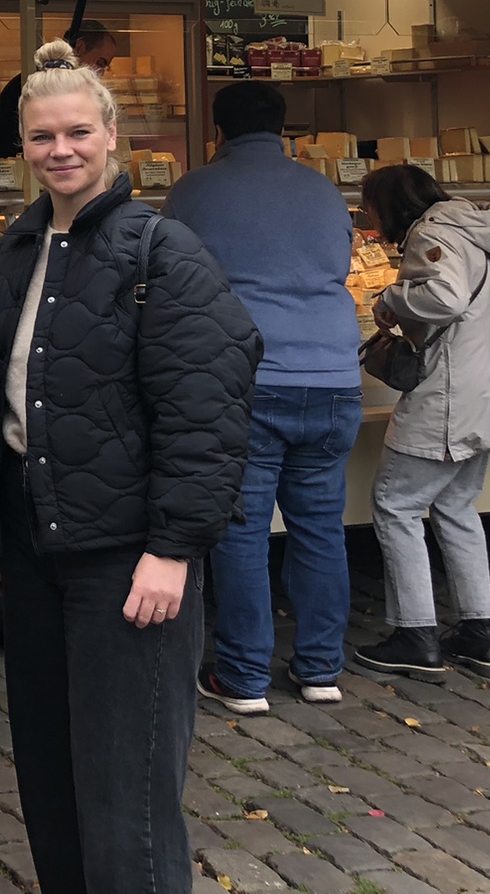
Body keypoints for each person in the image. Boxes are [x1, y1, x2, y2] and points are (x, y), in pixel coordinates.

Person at [0, 40, 257, 894]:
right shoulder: (14, 253)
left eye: (77, 132)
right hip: (31, 545)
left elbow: (208, 408)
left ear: (114, 135)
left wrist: (174, 548)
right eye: (43, 137)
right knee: (50, 776)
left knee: (126, 785)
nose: (61, 150)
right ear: (23, 146)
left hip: (127, 558)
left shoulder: (160, 252)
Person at [167, 81, 363, 712]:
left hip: (245, 376)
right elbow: (341, 261)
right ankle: (320, 669)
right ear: (284, 128)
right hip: (334, 375)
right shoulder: (323, 189)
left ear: (217, 130)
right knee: (320, 529)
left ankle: (244, 676)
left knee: (242, 532)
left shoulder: (196, 190)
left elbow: (171, 277)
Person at [351, 164, 490, 682]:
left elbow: (444, 299)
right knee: (455, 505)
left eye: (370, 205)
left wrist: (390, 299)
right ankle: (478, 632)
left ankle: (416, 635)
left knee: (396, 503)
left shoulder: (432, 234)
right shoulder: (471, 231)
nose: (368, 216)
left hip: (451, 400)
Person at [0, 19, 115, 159]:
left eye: (80, 133)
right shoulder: (28, 89)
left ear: (111, 134)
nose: (61, 151)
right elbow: (2, 149)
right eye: (42, 137)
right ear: (79, 48)